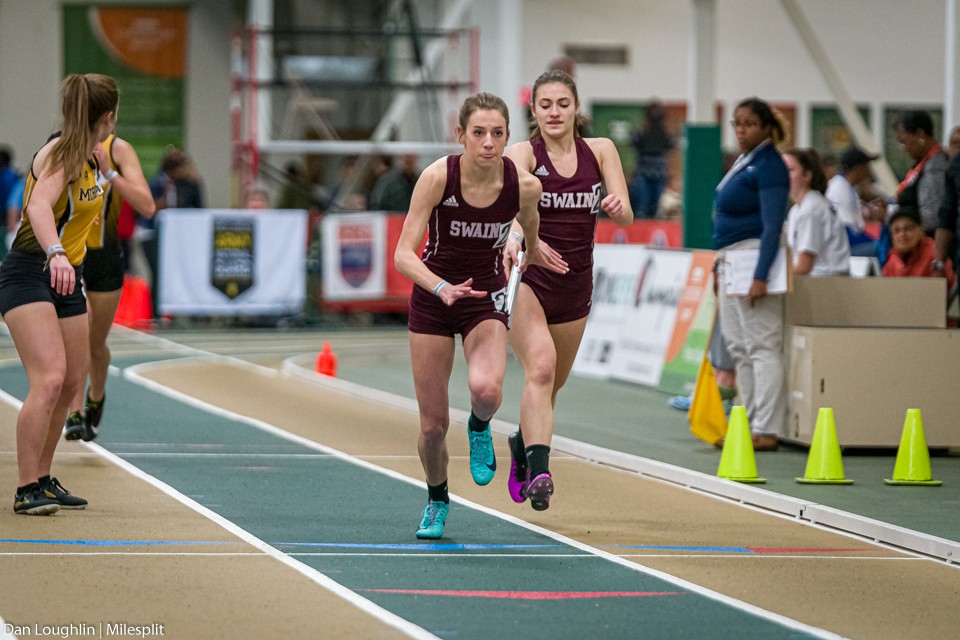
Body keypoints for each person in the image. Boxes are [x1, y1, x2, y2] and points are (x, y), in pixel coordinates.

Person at [394, 92, 566, 539]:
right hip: (434, 300)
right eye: (479, 133)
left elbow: (529, 224)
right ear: (461, 136)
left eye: (497, 134)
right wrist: (440, 286)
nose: (488, 142)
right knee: (432, 427)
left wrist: (528, 251)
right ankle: (437, 499)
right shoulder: (437, 178)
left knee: (487, 391)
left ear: (508, 137)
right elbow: (401, 255)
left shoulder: (525, 185)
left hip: (483, 299)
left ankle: (480, 426)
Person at [503, 69, 632, 510]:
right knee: (539, 368)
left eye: (562, 103)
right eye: (545, 105)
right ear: (534, 111)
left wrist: (616, 206)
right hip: (529, 278)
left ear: (577, 107)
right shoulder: (522, 152)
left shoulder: (601, 150)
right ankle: (540, 472)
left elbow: (627, 214)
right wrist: (518, 236)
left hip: (575, 284)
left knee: (551, 388)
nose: (554, 112)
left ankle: (522, 446)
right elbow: (507, 204)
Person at [0, 73, 119, 514]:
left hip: (69, 276)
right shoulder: (60, 152)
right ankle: (25, 487)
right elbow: (36, 206)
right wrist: (55, 253)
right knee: (48, 380)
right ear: (108, 116)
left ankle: (44, 478)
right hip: (31, 271)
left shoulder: (95, 154)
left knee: (72, 382)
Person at [63, 133, 156, 442]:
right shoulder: (63, 146)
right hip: (71, 257)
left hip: (106, 256)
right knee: (78, 331)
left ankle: (97, 394)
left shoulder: (119, 150)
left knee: (95, 343)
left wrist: (111, 174)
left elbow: (148, 206)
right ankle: (74, 412)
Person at [713, 97, 790, 452]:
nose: (741, 130)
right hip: (731, 258)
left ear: (765, 127)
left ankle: (766, 427)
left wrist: (761, 275)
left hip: (754, 256)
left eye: (749, 124)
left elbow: (773, 224)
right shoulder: (746, 161)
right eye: (736, 124)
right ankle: (744, 422)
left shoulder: (770, 164)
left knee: (761, 345)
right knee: (739, 347)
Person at [783, 147, 851, 276]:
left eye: (789, 170)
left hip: (826, 286)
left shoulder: (811, 208)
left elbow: (804, 266)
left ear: (806, 175)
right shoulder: (797, 209)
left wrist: (768, 274)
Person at [893, 110, 948, 235]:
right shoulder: (924, 164)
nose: (904, 149)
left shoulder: (936, 168)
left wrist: (901, 225)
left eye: (904, 141)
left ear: (920, 134)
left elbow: (931, 217)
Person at [825, 146, 885, 258]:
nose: (869, 170)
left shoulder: (846, 186)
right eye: (867, 166)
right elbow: (846, 233)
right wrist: (875, 242)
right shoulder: (840, 188)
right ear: (858, 168)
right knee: (884, 248)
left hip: (844, 246)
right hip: (841, 251)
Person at [884, 206, 955, 288]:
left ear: (921, 231)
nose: (902, 234)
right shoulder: (892, 259)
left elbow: (950, 288)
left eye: (908, 228)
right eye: (896, 230)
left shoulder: (935, 255)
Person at [629, 101, 674, 218]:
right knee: (642, 204)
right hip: (644, 172)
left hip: (659, 172)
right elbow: (633, 142)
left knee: (655, 206)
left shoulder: (664, 133)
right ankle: (640, 233)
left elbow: (672, 146)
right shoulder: (642, 132)